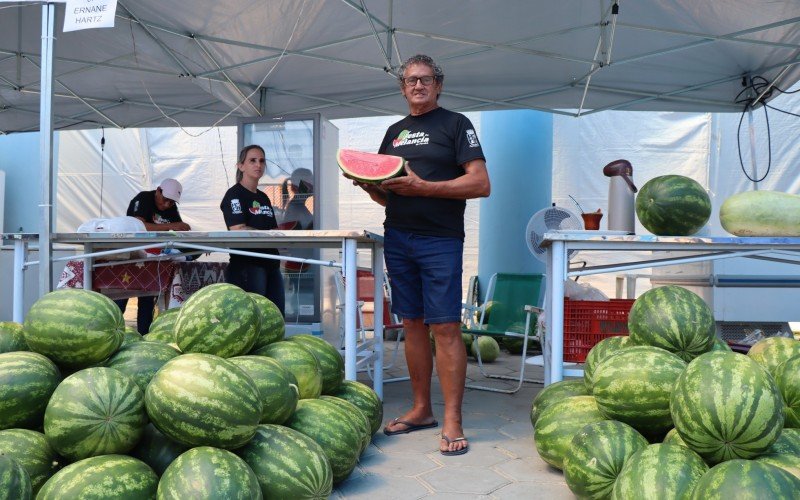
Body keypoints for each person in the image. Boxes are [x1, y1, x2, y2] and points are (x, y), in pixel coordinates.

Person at [347, 54, 490, 456]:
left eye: (425, 79)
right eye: (410, 80)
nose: (418, 86)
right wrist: (364, 184)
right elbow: (386, 190)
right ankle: (422, 409)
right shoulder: (394, 132)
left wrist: (426, 188)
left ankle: (453, 419)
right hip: (399, 237)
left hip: (440, 239)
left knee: (444, 327)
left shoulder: (457, 124)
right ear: (402, 88)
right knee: (410, 323)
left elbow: (480, 183)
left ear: (438, 85)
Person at [116, 178, 191, 333]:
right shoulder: (143, 199)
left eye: (171, 202)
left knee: (147, 302)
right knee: (121, 298)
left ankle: (144, 337)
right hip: (133, 258)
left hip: (153, 261)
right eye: (165, 200)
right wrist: (171, 226)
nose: (167, 205)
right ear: (158, 190)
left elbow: (178, 228)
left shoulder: (171, 207)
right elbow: (138, 226)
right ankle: (111, 329)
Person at [220, 145, 285, 315]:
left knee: (276, 318)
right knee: (254, 320)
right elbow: (238, 229)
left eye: (262, 161)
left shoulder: (263, 197)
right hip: (248, 266)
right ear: (240, 166)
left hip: (271, 265)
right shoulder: (234, 195)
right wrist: (270, 234)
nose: (258, 165)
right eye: (252, 160)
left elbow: (273, 229)